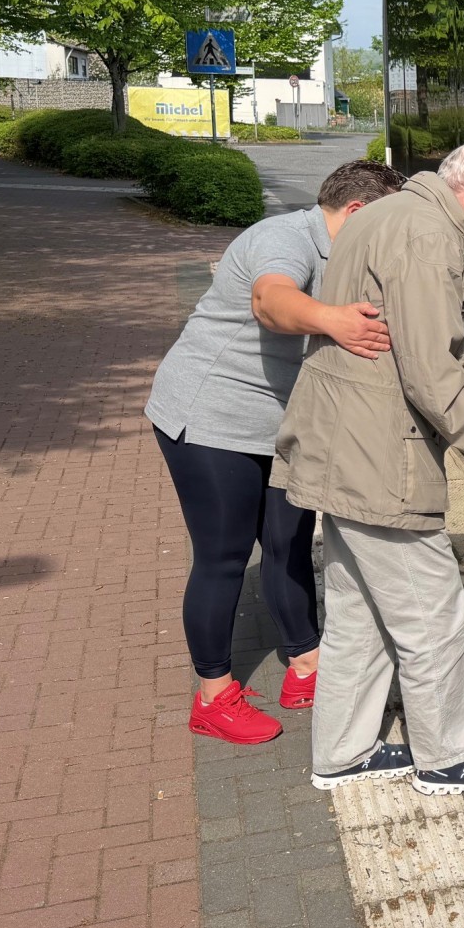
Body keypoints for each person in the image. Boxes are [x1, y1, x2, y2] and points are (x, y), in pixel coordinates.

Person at [274, 137, 464, 796]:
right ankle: (449, 758)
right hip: (381, 459)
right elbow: (428, 377)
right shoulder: (428, 237)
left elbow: (403, 346)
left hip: (342, 445)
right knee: (430, 612)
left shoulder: (381, 214)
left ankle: (341, 752)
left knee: (358, 615)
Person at [147, 160, 407, 745]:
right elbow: (271, 301)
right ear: (359, 213)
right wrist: (332, 320)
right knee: (224, 555)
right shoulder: (283, 239)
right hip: (210, 417)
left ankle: (306, 667)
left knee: (289, 541)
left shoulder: (354, 255)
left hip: (281, 424)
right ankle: (213, 696)